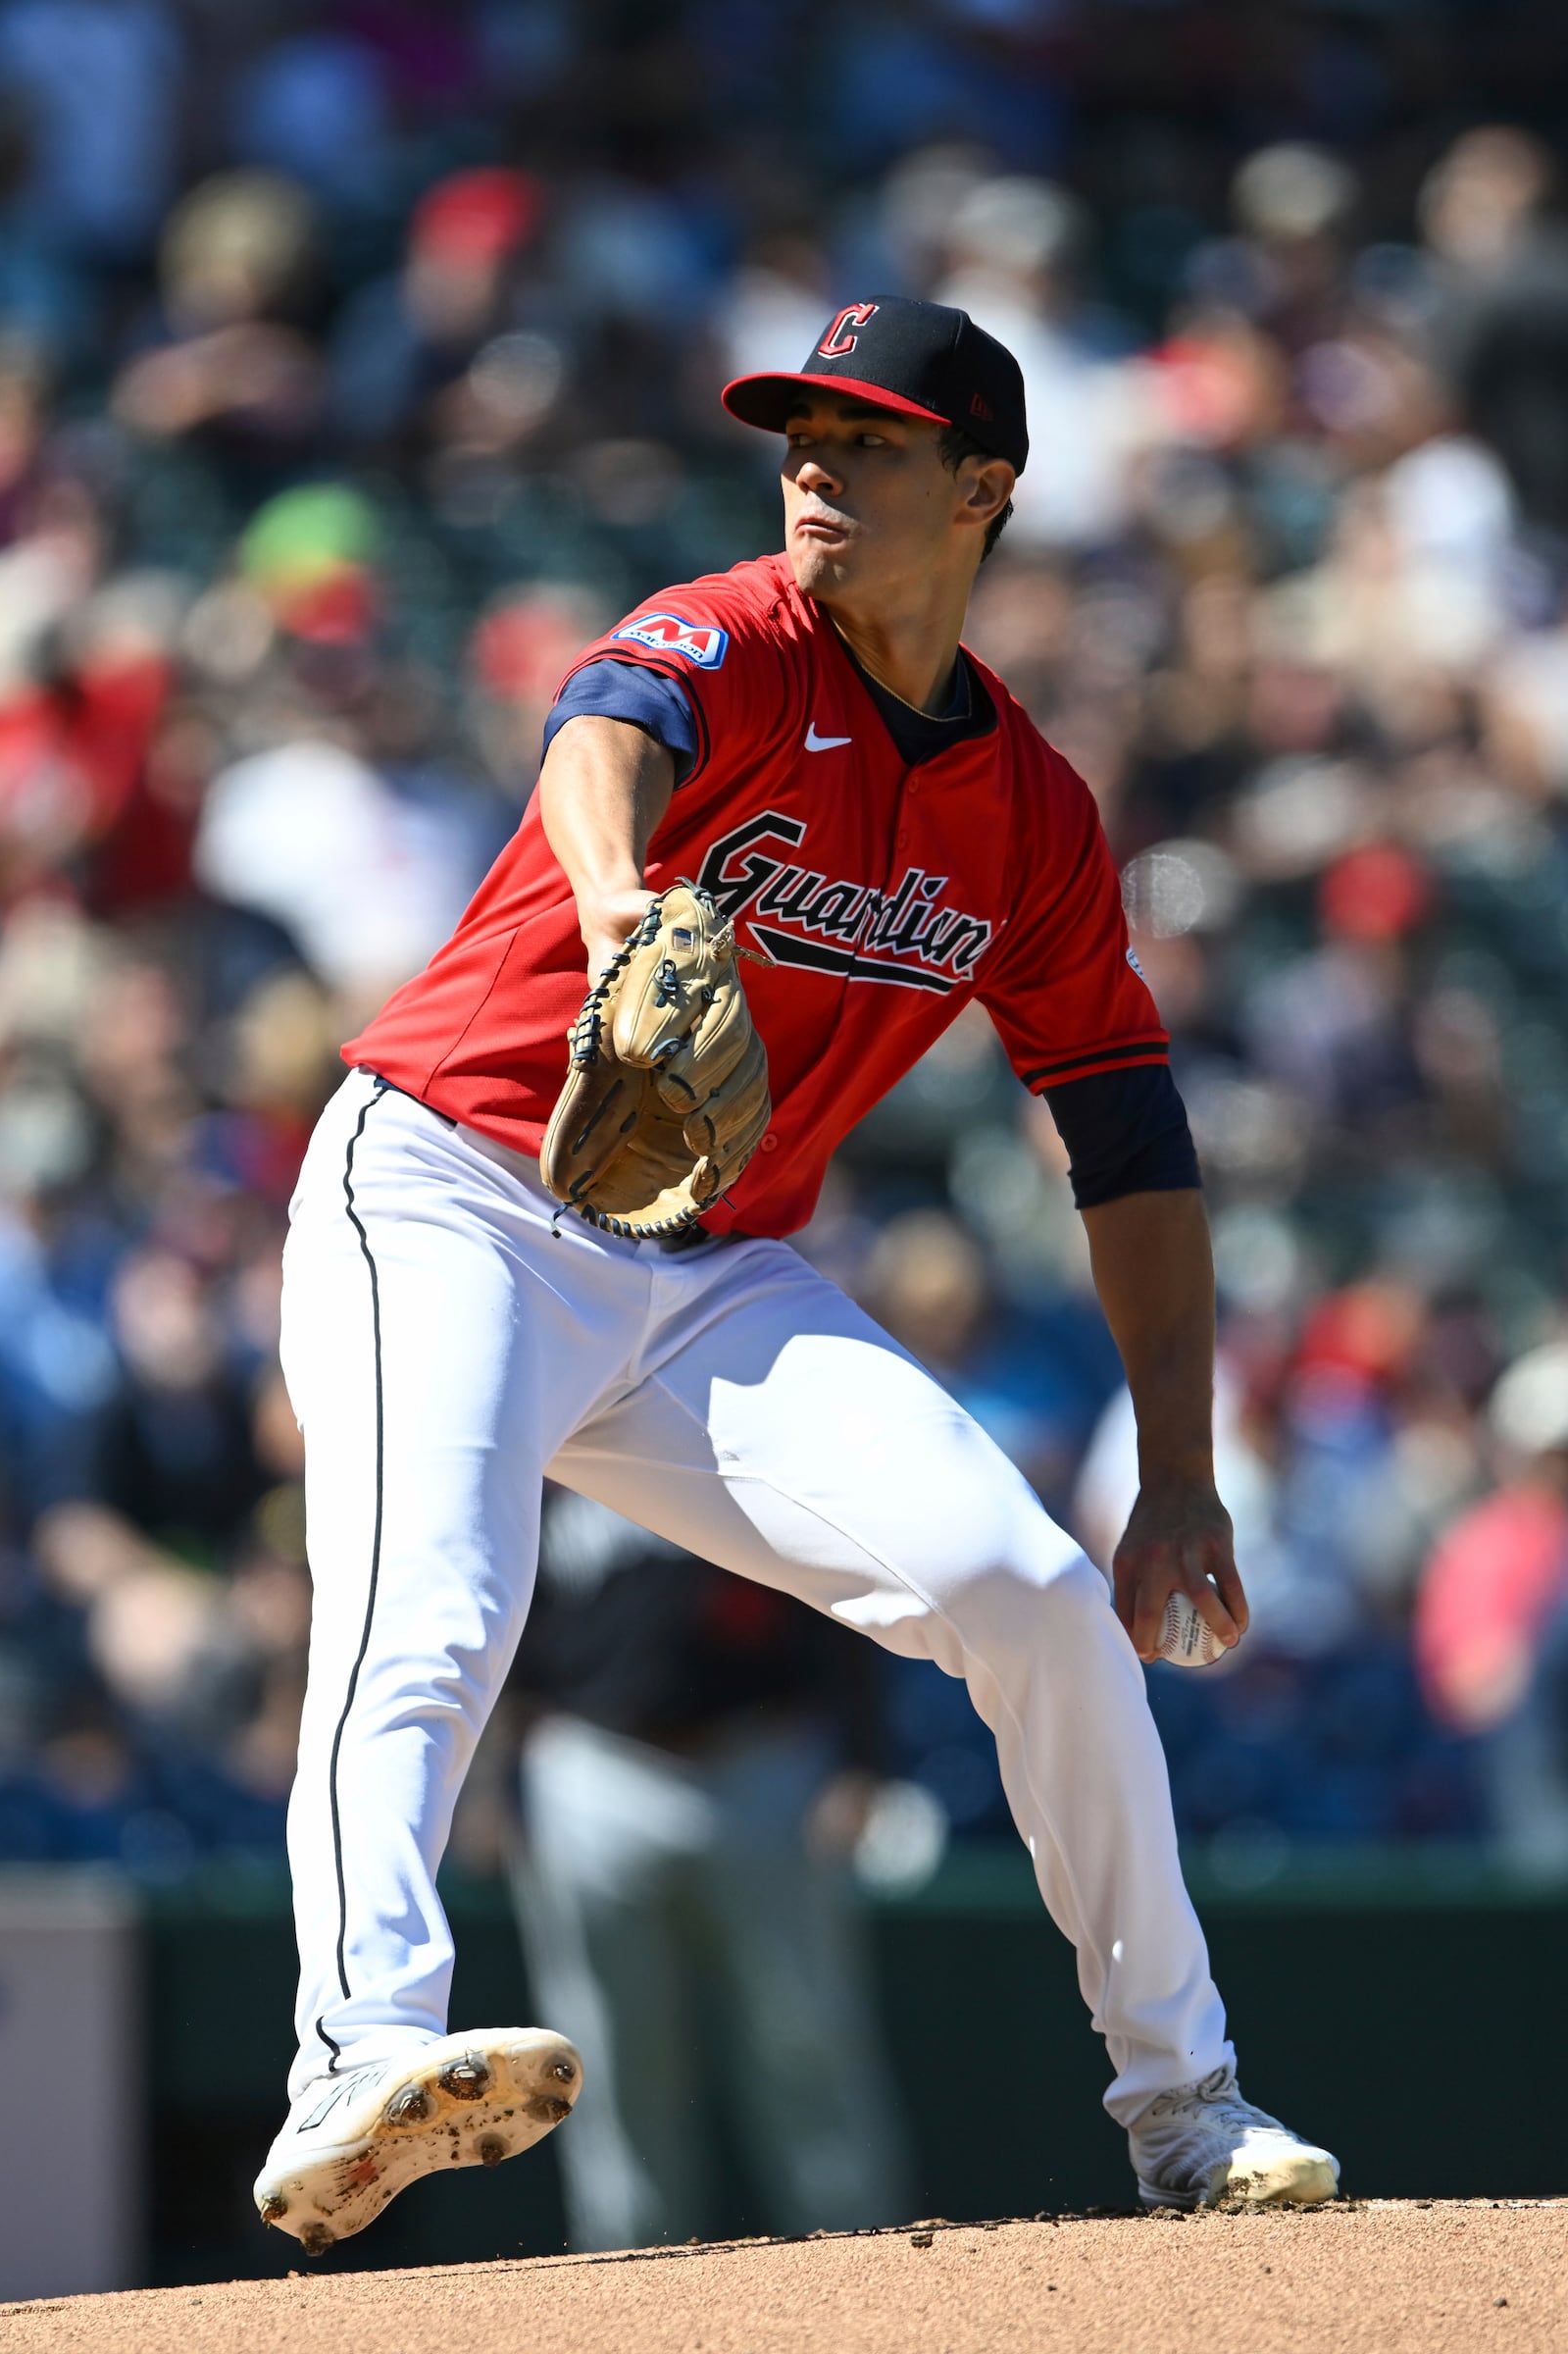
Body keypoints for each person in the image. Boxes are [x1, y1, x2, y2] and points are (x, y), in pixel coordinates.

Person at [254, 296, 1339, 2253]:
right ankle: (356, 2053)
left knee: (1027, 1593)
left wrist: (1171, 1467)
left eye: (871, 443)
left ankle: (1186, 2106)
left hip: (704, 1268)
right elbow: (603, 729)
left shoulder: (1028, 813)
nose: (818, 473)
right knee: (432, 1603)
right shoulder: (738, 631)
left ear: (984, 487)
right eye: (799, 440)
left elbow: (1124, 1135)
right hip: (447, 1191)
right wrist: (615, 913)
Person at [506, 1486, 910, 2250]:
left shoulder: (748, 1428)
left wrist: (862, 1758)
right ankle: (628, 2284)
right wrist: (497, 1784)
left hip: (763, 1758)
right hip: (594, 1764)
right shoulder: (547, 1433)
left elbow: (843, 1600)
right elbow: (497, 1619)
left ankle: (866, 2271)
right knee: (611, 2061)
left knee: (807, 2039)